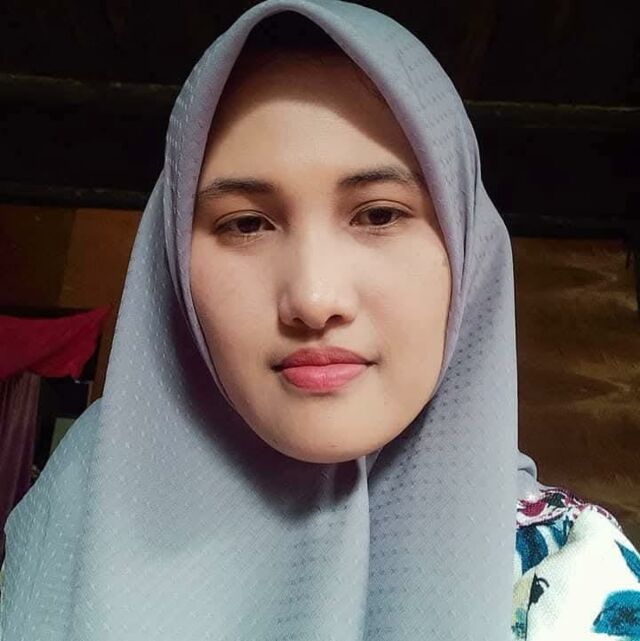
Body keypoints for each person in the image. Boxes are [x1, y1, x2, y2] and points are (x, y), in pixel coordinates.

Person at [1, 1, 638, 640]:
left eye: (379, 214)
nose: (312, 298)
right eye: (246, 224)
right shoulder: (77, 506)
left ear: (466, 252)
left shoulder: (571, 583)